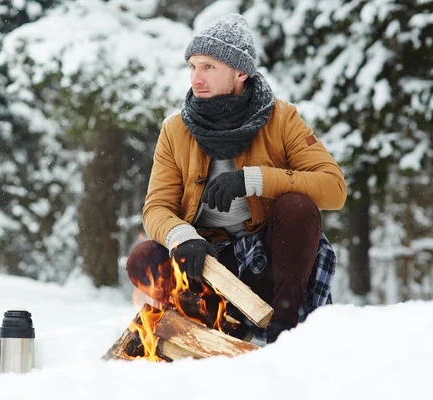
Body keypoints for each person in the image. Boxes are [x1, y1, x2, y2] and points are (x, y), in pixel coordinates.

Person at [126, 13, 347, 344]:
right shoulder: (175, 130)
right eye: (192, 66)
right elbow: (156, 206)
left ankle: (284, 334)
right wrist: (182, 236)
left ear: (240, 72)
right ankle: (214, 327)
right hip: (209, 262)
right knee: (144, 256)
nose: (196, 78)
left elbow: (334, 188)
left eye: (208, 67)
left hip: (267, 262)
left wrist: (253, 181)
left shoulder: (282, 119)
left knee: (298, 207)